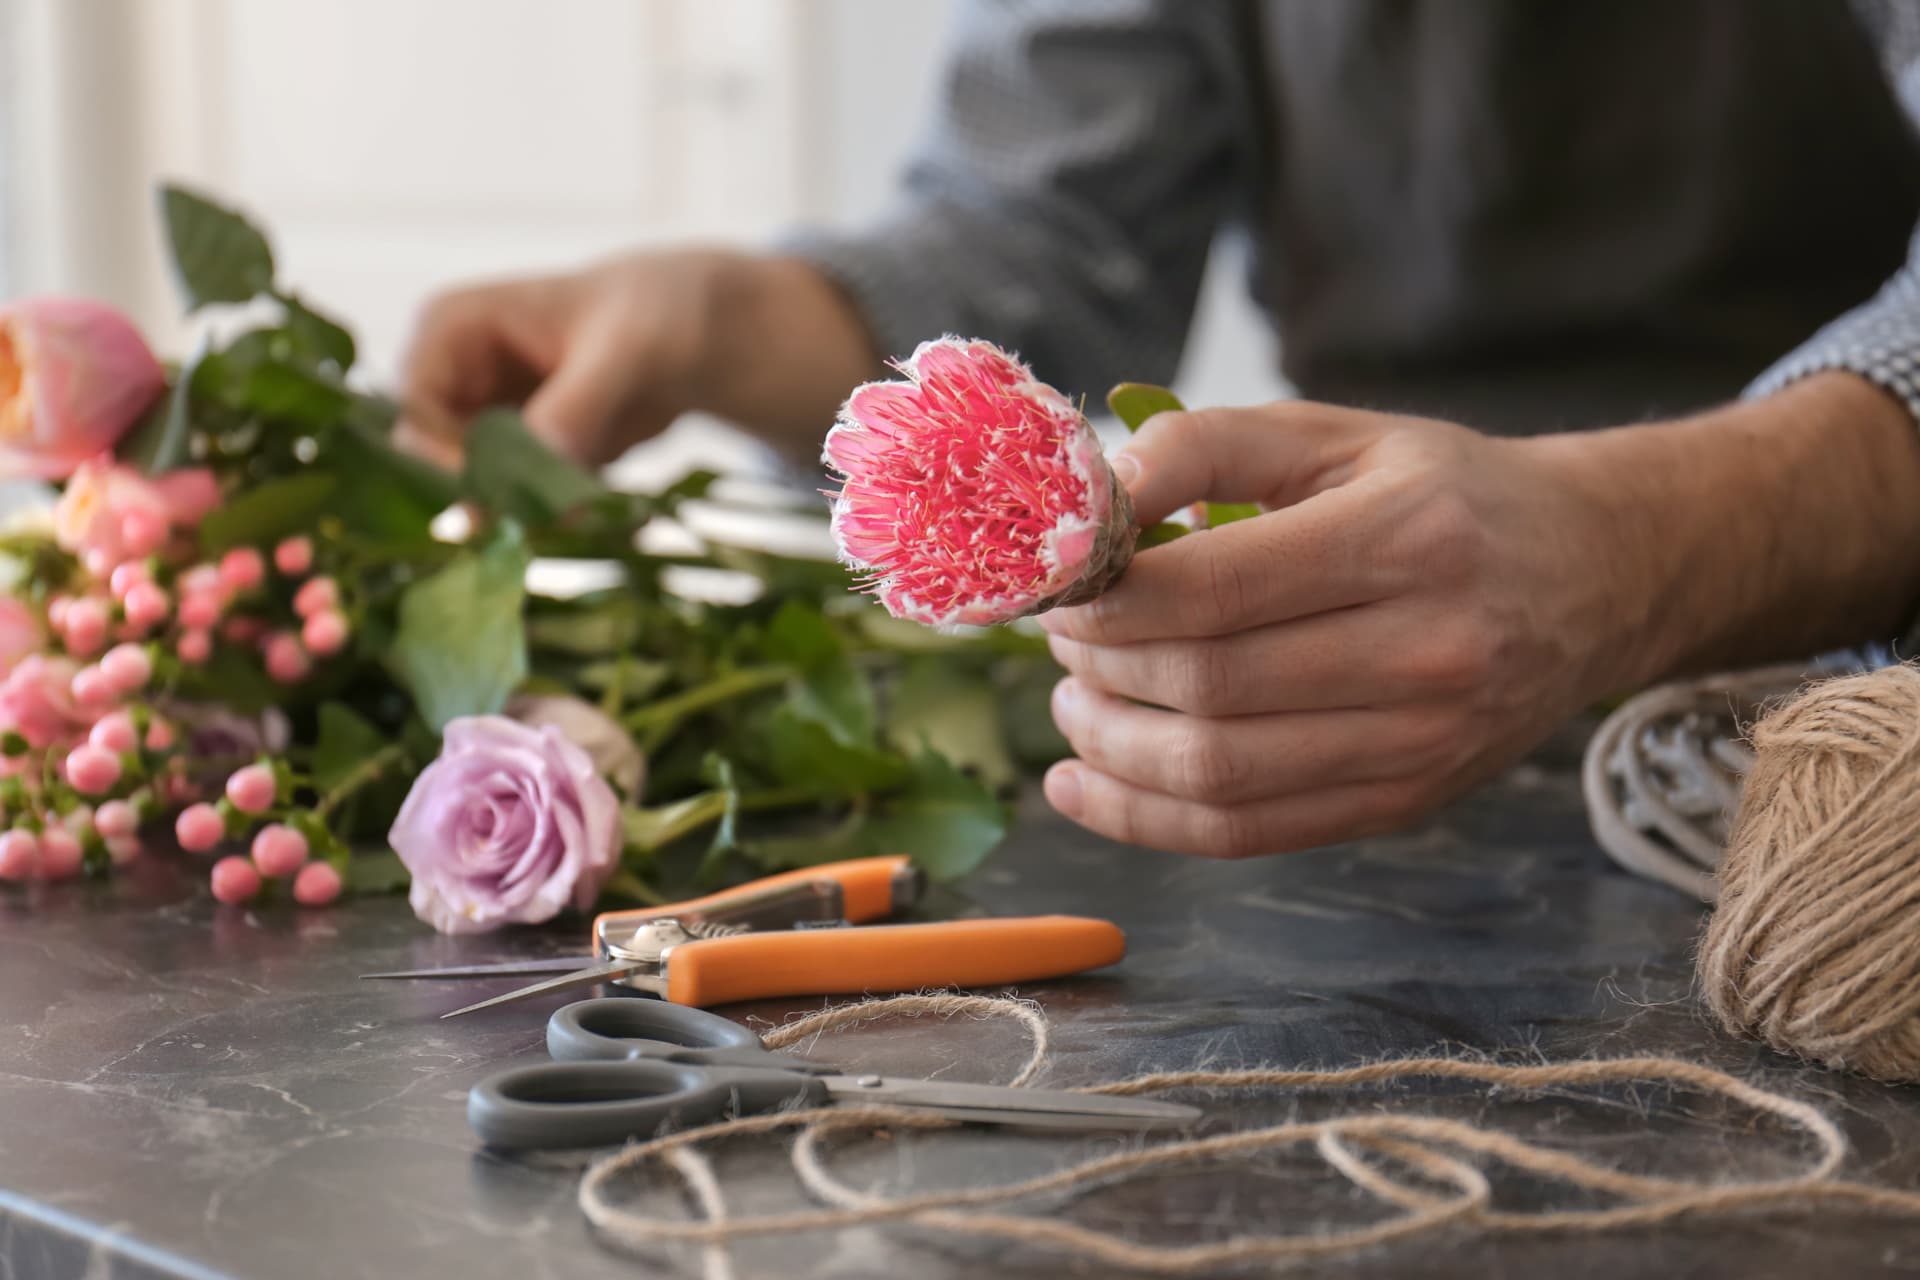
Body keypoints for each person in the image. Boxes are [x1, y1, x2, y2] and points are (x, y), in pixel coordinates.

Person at [399, 1, 1920, 860]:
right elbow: (1048, 251)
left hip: (1858, 745)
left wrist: (1648, 541)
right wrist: (730, 321)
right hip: (1371, 756)